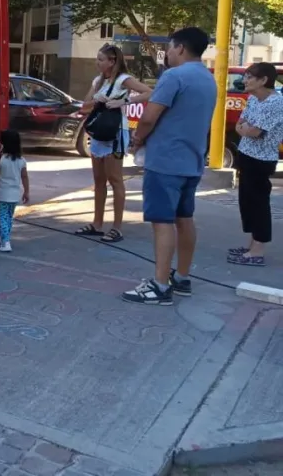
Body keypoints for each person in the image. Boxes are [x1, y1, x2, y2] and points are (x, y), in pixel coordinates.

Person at [125, 27, 216, 305]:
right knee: (184, 218)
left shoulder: (174, 77)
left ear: (179, 48)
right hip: (192, 161)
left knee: (162, 222)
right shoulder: (208, 79)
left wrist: (137, 141)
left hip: (165, 161)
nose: (167, 52)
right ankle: (182, 277)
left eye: (170, 47)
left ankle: (159, 285)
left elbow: (150, 117)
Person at [75, 44, 153, 244]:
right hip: (99, 132)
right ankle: (97, 223)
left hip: (116, 132)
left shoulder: (123, 79)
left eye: (101, 59)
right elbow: (85, 105)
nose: (97, 63)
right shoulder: (97, 80)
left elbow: (149, 92)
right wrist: (98, 100)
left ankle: (117, 227)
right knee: (98, 180)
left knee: (115, 179)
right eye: (97, 59)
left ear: (112, 61)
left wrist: (123, 102)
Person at [230, 62, 283, 266]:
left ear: (263, 80)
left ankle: (258, 250)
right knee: (247, 202)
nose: (245, 80)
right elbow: (240, 125)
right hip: (246, 154)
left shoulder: (276, 103)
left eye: (249, 77)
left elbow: (255, 131)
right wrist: (246, 128)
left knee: (259, 204)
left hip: (262, 159)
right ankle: (251, 245)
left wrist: (247, 128)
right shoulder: (253, 98)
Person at [0, 129, 30, 253]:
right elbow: (24, 177)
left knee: (2, 217)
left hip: (2, 195)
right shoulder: (22, 161)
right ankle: (5, 238)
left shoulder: (2, 159)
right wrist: (26, 191)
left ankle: (5, 242)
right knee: (8, 217)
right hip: (15, 195)